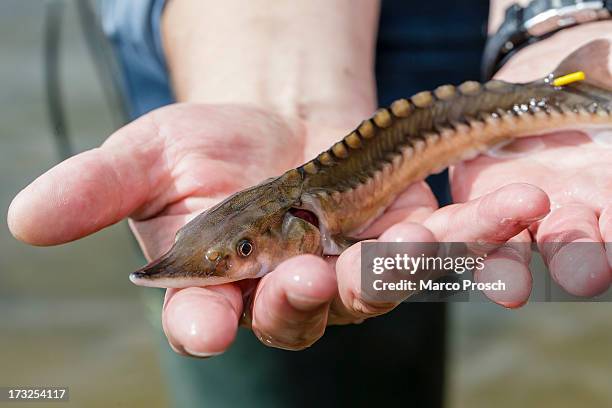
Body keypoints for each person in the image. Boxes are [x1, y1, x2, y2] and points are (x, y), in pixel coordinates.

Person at [7, 0, 612, 406]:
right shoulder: (299, 226)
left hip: (470, 42)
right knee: (346, 308)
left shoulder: (320, 224)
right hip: (218, 43)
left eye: (243, 250)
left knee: (409, 281)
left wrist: (559, 14)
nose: (232, 261)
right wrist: (267, 73)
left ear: (303, 225)